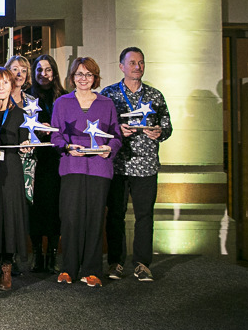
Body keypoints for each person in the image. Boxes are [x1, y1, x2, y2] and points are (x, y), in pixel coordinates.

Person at [100, 47, 173, 282]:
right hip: (118, 164)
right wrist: (116, 130)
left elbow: (167, 126)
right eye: (132, 63)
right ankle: (116, 262)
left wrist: (160, 132)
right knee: (115, 215)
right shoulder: (109, 94)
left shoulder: (155, 95)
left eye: (141, 63)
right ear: (121, 66)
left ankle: (142, 263)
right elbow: (97, 127)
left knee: (144, 215)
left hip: (146, 165)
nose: (137, 67)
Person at [50, 57, 122, 288]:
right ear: (72, 77)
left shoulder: (106, 103)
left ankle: (91, 270)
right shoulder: (62, 103)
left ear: (95, 78)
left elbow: (117, 136)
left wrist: (109, 148)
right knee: (70, 218)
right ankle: (68, 268)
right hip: (72, 166)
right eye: (79, 74)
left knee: (94, 219)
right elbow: (55, 135)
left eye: (89, 75)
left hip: (100, 168)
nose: (84, 79)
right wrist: (69, 147)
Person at [0, 67, 32, 292]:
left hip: (11, 172)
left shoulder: (21, 114)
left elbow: (27, 144)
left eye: (5, 83)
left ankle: (6, 268)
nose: (0, 87)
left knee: (8, 219)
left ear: (12, 86)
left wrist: (27, 147)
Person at [29, 54, 65, 273]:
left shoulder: (65, 97)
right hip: (34, 158)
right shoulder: (27, 97)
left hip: (56, 159)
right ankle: (36, 254)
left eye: (48, 69)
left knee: (54, 208)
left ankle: (52, 254)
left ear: (54, 72)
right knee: (34, 208)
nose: (44, 74)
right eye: (39, 70)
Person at [6, 55, 38, 221]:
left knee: (24, 209)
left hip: (27, 161)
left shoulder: (31, 101)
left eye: (23, 71)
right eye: (15, 69)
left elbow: (33, 131)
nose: (19, 74)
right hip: (5, 161)